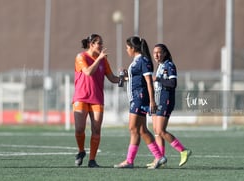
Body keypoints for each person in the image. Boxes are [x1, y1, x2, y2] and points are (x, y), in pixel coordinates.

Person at [114, 36, 167, 169]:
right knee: (141, 130)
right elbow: (136, 79)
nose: (126, 50)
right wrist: (126, 75)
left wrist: (152, 101)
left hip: (140, 98)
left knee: (133, 128)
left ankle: (156, 157)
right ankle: (134, 160)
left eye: (127, 48)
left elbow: (149, 81)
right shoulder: (137, 61)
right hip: (135, 98)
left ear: (133, 48)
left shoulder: (143, 60)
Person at [72, 34, 122, 168]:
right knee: (79, 129)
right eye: (99, 43)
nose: (101, 46)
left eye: (101, 43)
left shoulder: (103, 60)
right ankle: (81, 151)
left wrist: (125, 78)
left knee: (96, 130)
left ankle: (92, 160)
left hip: (97, 99)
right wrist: (99, 59)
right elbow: (88, 72)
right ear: (91, 44)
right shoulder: (81, 57)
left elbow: (112, 78)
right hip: (81, 97)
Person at [146, 44, 192, 168]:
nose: (156, 55)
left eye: (159, 52)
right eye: (154, 52)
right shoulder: (160, 66)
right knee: (156, 131)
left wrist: (158, 79)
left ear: (165, 53)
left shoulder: (169, 65)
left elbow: (173, 83)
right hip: (157, 100)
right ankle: (160, 159)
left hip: (165, 101)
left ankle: (183, 150)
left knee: (161, 130)